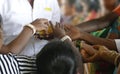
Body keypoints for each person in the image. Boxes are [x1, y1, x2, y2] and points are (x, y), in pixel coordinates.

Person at [0, 23, 84, 74]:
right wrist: (63, 36)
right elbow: (80, 68)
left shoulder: (7, 65)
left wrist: (30, 28)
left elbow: (8, 51)